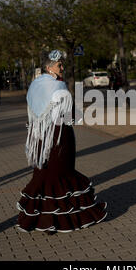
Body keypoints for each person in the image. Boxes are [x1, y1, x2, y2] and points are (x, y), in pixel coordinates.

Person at [16, 50, 107, 234]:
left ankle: (43, 220)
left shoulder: (35, 85)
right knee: (61, 174)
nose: (62, 68)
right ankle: (59, 220)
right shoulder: (59, 87)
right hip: (59, 137)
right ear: (49, 68)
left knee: (44, 174)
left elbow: (34, 113)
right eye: (59, 65)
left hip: (40, 137)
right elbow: (70, 116)